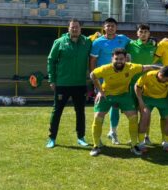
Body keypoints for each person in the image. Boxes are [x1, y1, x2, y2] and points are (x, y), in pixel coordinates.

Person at [89, 48, 160, 156]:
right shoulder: (105, 68)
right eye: (116, 59)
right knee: (98, 117)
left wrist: (162, 68)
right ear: (112, 59)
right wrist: (100, 90)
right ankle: (96, 146)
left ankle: (134, 145)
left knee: (133, 117)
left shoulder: (131, 67)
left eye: (121, 59)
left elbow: (147, 67)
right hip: (107, 94)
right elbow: (92, 75)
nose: (119, 61)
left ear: (125, 59)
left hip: (124, 95)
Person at [46, 18, 92, 149]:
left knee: (80, 112)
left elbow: (98, 43)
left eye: (77, 27)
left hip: (79, 84)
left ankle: (81, 137)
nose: (74, 29)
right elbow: (51, 60)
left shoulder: (87, 42)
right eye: (72, 27)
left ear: (80, 29)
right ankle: (52, 138)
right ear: (68, 28)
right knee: (57, 111)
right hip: (62, 84)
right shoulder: (59, 42)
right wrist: (52, 79)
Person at [89, 18, 131, 144]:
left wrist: (153, 40)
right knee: (100, 108)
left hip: (118, 80)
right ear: (104, 27)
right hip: (102, 80)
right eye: (108, 26)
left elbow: (137, 43)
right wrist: (94, 80)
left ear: (116, 27)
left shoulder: (123, 39)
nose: (110, 28)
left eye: (113, 26)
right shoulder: (97, 42)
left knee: (115, 106)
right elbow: (92, 61)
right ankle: (97, 138)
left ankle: (113, 132)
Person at [126, 23, 158, 144]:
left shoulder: (154, 46)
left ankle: (146, 136)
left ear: (149, 34)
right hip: (133, 84)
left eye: (146, 32)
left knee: (145, 112)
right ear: (137, 33)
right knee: (133, 113)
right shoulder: (130, 45)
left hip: (148, 84)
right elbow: (127, 61)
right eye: (141, 31)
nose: (143, 34)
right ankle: (134, 137)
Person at [135, 65, 168, 153]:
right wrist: (140, 100)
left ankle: (166, 143)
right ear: (160, 74)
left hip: (162, 99)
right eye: (166, 80)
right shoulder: (149, 75)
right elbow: (137, 86)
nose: (167, 81)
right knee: (145, 116)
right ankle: (141, 143)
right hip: (148, 98)